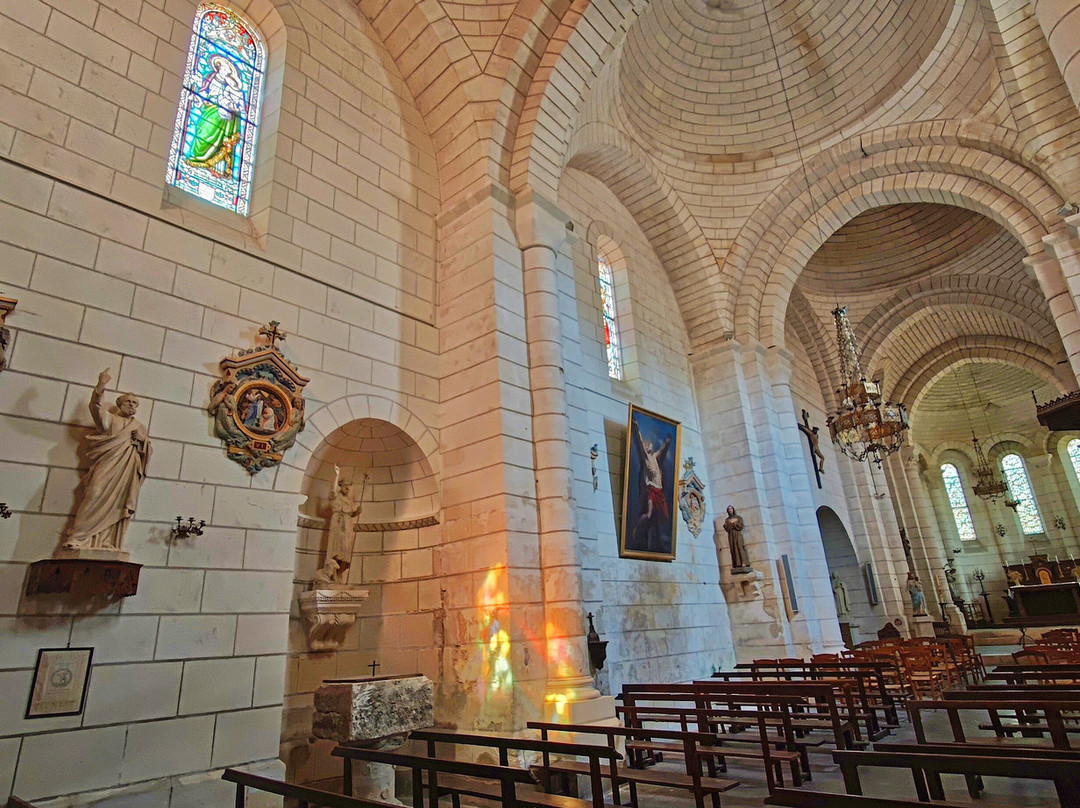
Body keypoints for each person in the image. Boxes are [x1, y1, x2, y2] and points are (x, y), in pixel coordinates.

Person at [62, 368, 152, 553]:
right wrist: (101, 386)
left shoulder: (139, 426)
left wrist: (143, 441)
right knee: (94, 493)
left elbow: (147, 451)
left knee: (119, 502)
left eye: (135, 403)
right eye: (128, 401)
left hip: (126, 471)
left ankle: (108, 540)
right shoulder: (110, 420)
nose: (132, 405)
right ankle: (77, 537)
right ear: (119, 403)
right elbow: (95, 408)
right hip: (107, 465)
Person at [184, 55, 246, 178]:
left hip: (223, 113)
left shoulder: (230, 87)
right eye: (223, 68)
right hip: (209, 108)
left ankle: (215, 166)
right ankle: (197, 158)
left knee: (221, 134)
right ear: (218, 68)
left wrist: (228, 103)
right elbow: (203, 91)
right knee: (204, 131)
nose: (225, 72)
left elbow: (238, 105)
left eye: (227, 70)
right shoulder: (210, 77)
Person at [631, 422, 672, 552]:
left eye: (649, 445)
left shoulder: (654, 457)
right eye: (647, 445)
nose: (649, 446)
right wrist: (637, 428)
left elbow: (662, 450)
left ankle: (658, 541)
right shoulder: (645, 458)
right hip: (651, 491)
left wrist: (668, 441)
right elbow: (639, 440)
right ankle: (637, 527)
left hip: (659, 492)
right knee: (649, 515)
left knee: (662, 517)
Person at [320, 464, 364, 584]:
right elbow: (333, 490)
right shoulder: (336, 496)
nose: (348, 489)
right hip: (338, 524)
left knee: (346, 550)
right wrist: (337, 475)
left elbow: (352, 513)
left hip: (348, 525)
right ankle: (333, 574)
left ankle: (340, 574)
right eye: (346, 486)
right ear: (341, 486)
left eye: (349, 487)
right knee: (337, 549)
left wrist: (357, 512)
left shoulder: (349, 501)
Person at [723, 505, 751, 572]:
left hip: (737, 534)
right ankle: (736, 564)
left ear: (733, 510)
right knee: (733, 549)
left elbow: (740, 526)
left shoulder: (738, 517)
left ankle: (744, 563)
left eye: (731, 509)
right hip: (731, 535)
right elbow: (726, 528)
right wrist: (730, 523)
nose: (730, 510)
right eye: (729, 509)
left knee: (740, 547)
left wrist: (735, 523)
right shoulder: (727, 519)